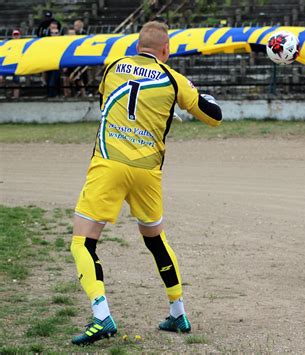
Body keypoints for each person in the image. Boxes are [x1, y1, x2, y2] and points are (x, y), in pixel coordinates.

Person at [70, 21, 222, 346]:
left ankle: (101, 316)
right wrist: (198, 95)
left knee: (83, 242)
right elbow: (214, 115)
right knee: (155, 239)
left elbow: (105, 107)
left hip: (109, 163)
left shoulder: (113, 68)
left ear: (137, 46)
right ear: (166, 50)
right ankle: (178, 312)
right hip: (147, 170)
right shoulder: (172, 78)